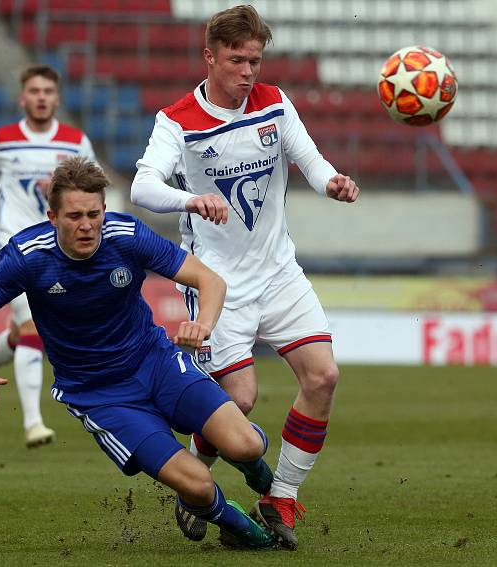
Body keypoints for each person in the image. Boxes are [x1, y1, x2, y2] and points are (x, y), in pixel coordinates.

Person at [0, 157, 275, 550]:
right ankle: (237, 526)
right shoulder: (27, 255)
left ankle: (253, 467)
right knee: (200, 485)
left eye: (94, 213)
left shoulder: (128, 236)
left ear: (105, 210)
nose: (86, 225)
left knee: (247, 444)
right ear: (53, 216)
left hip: (155, 362)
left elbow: (210, 281)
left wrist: (203, 325)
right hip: (99, 394)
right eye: (74, 216)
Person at [130, 4, 360, 550]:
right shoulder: (178, 120)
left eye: (255, 59)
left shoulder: (275, 104)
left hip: (278, 270)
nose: (248, 71)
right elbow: (142, 187)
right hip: (216, 281)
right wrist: (190, 198)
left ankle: (279, 496)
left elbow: (312, 160)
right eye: (237, 59)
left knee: (323, 376)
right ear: (209, 57)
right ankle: (193, 480)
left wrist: (332, 183)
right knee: (242, 398)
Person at [0, 64, 95, 448]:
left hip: (55, 244)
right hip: (12, 241)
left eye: (47, 92)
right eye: (34, 91)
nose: (41, 97)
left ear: (57, 98)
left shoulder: (76, 141)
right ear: (22, 97)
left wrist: (59, 186)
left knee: (22, 330)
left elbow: (92, 183)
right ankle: (33, 423)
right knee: (32, 328)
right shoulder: (3, 138)